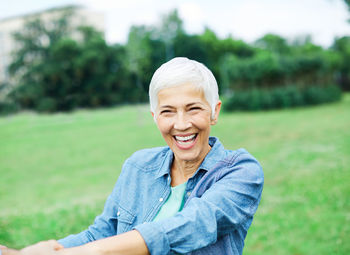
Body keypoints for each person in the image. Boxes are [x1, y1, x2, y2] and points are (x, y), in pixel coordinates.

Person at [0, 57, 264, 255]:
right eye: (168, 112)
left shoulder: (241, 172)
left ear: (214, 112)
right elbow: (102, 232)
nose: (181, 124)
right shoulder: (138, 166)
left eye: (193, 109)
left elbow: (192, 225)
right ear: (155, 117)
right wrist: (49, 248)